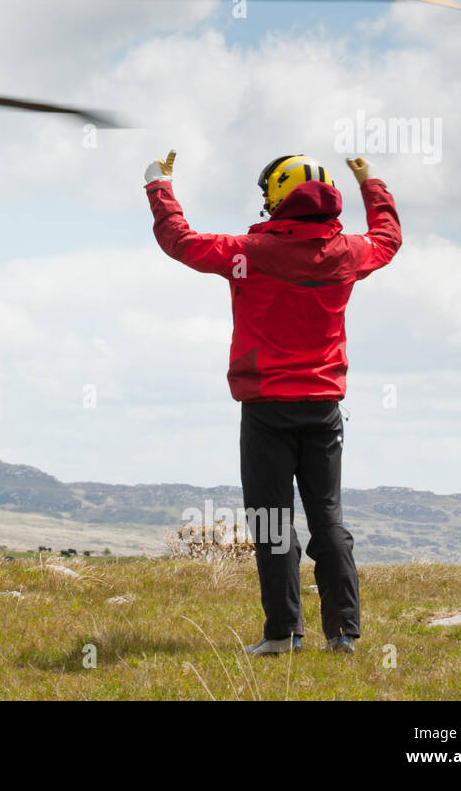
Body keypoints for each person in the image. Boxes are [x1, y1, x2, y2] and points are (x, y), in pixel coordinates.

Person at [142, 150, 401, 655]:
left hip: (266, 406)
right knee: (328, 519)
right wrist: (372, 182)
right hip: (324, 405)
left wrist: (159, 185)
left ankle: (283, 634)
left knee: (272, 521)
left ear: (278, 200)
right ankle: (344, 634)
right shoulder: (347, 253)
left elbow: (181, 242)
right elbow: (387, 240)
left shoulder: (249, 252)